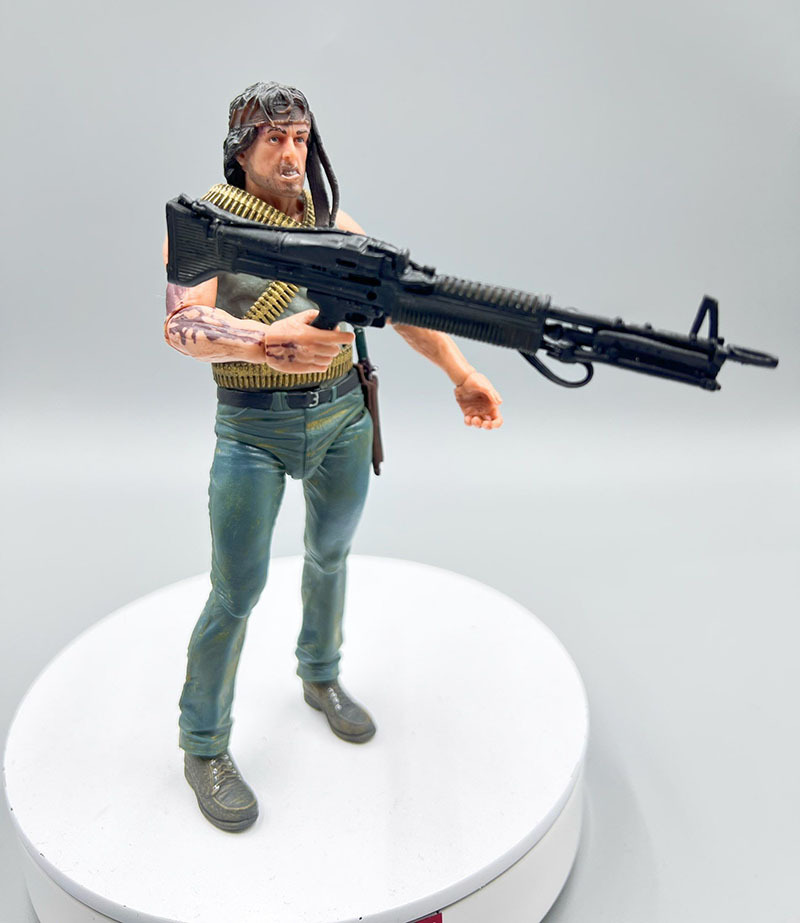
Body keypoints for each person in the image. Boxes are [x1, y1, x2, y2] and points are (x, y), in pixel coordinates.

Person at [164, 81, 503, 832]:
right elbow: (182, 324)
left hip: (343, 417)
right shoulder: (203, 225)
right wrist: (266, 342)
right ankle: (203, 743)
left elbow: (400, 306)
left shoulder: (332, 223)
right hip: (252, 428)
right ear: (241, 150)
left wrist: (460, 371)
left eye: (300, 138)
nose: (292, 153)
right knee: (235, 590)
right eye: (274, 139)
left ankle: (320, 673)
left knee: (331, 554)